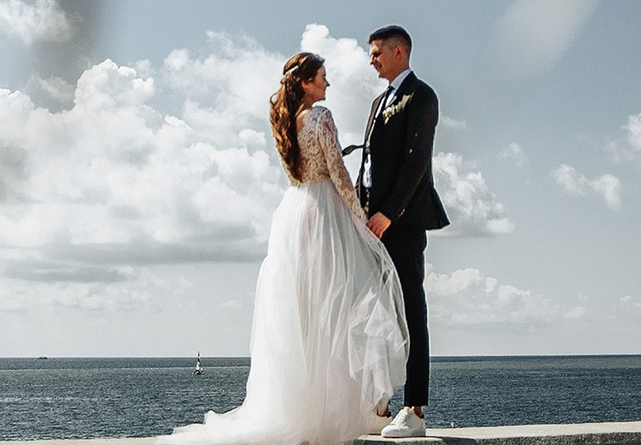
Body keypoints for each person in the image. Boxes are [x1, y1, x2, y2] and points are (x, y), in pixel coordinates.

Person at [173, 52, 409, 445]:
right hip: (325, 214)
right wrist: (361, 222)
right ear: (305, 83)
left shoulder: (283, 120)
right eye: (323, 77)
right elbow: (338, 171)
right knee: (346, 306)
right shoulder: (321, 117)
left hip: (294, 213)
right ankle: (350, 409)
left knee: (304, 316)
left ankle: (306, 411)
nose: (328, 85)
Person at [360, 26, 446, 440]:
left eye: (376, 52)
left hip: (404, 223)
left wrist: (389, 214)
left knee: (412, 310)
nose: (371, 59)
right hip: (374, 224)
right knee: (378, 313)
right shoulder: (379, 101)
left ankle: (415, 409)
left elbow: (417, 164)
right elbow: (372, 166)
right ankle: (381, 403)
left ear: (399, 51)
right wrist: (363, 212)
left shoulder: (422, 96)